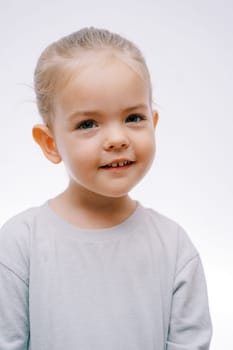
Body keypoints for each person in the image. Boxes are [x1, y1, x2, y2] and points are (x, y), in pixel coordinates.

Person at [0, 27, 212, 350]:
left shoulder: (174, 248)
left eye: (134, 118)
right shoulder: (19, 245)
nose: (118, 138)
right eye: (88, 124)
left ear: (153, 123)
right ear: (50, 143)